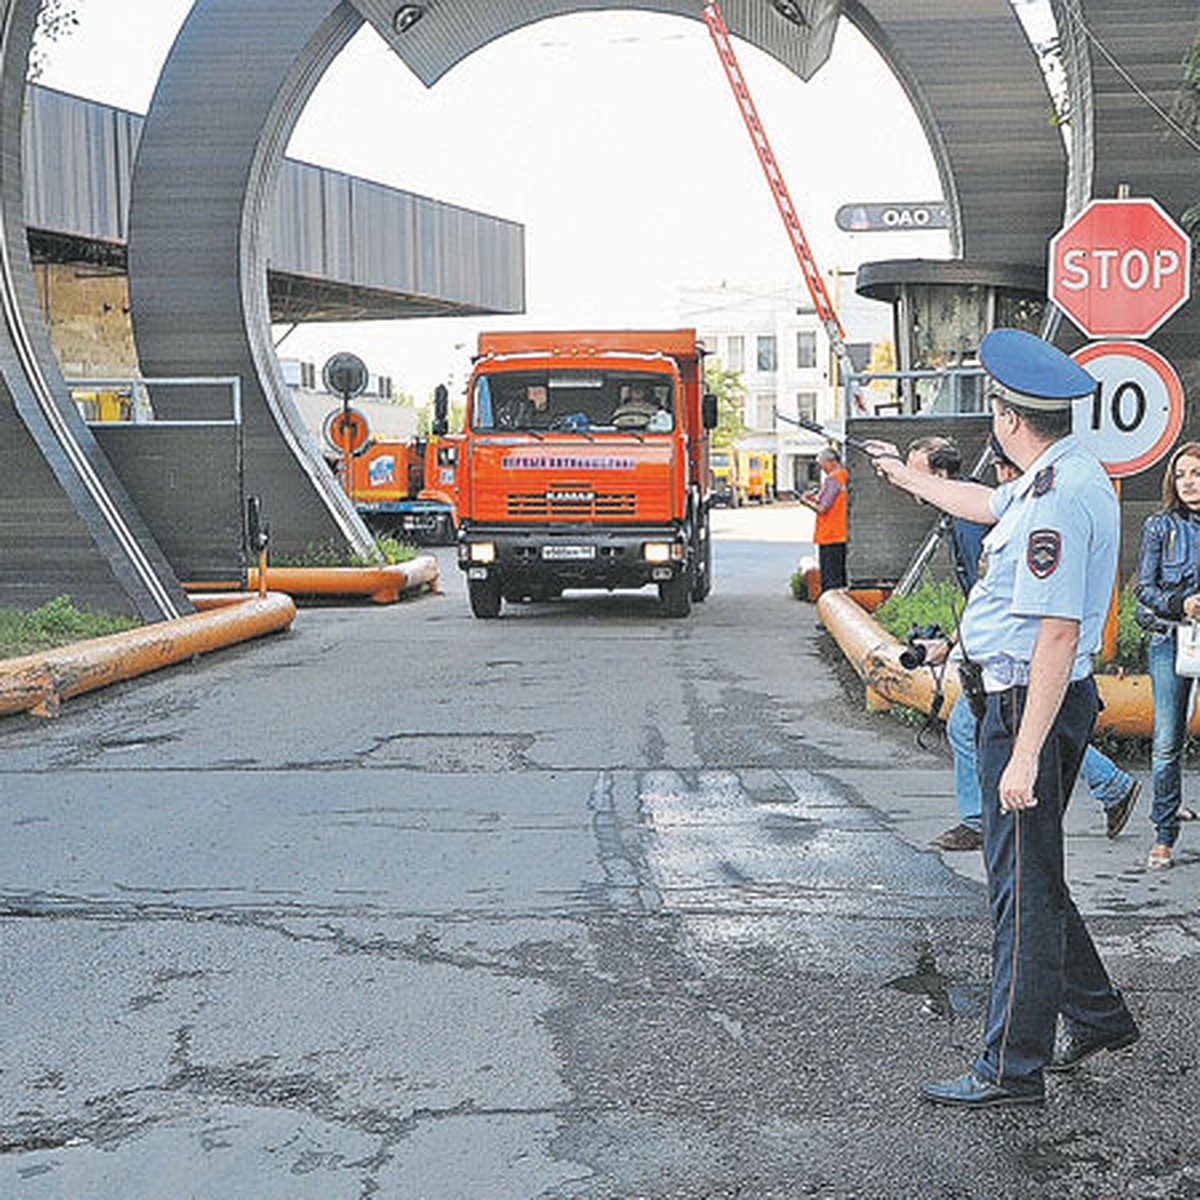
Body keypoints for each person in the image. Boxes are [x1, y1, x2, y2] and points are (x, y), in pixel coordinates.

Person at [870, 328, 1139, 1109]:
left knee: (1019, 891)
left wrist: (1021, 757)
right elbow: (986, 502)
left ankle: (1010, 1070)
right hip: (1022, 699)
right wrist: (907, 478)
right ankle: (1095, 1014)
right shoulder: (1060, 474)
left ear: (1009, 420)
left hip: (1026, 704)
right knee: (1034, 876)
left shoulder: (1056, 500)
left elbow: (1056, 634)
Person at [894, 434, 1139, 851]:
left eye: (917, 473)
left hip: (1016, 661)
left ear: (940, 474)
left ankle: (979, 821)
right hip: (1028, 658)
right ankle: (1111, 786)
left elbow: (991, 594)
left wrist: (954, 644)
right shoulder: (978, 509)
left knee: (975, 731)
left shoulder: (976, 519)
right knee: (1029, 732)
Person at [1134, 440, 1200, 869]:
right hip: (1172, 637)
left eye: (1196, 472)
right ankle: (1164, 833)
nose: (1189, 482)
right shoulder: (1160, 526)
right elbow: (1144, 589)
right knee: (1167, 740)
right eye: (1182, 475)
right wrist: (1183, 605)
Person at [799, 446, 848, 591]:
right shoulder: (845, 475)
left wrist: (805, 501)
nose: (822, 469)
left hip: (830, 535)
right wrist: (815, 498)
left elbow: (822, 508)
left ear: (832, 462)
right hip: (842, 533)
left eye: (822, 465)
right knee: (841, 578)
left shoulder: (832, 479)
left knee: (830, 582)